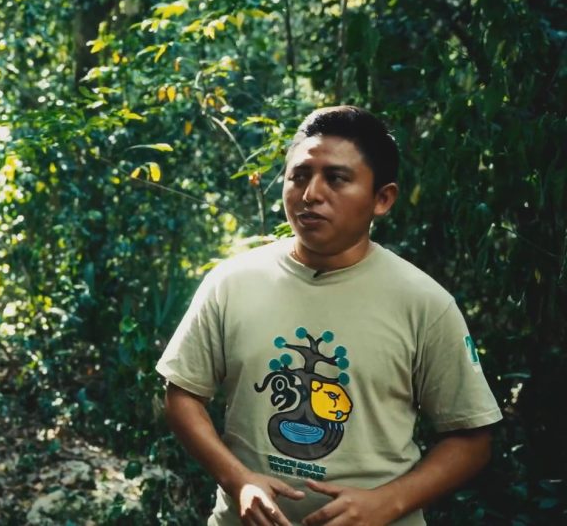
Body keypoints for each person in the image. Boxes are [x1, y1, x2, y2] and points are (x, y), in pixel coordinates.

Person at [157, 106, 501, 526]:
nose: (310, 194)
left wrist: (389, 502)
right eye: (299, 176)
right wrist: (239, 480)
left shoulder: (423, 302)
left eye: (336, 179)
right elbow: (182, 395)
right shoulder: (232, 281)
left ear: (383, 198)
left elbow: (471, 437)